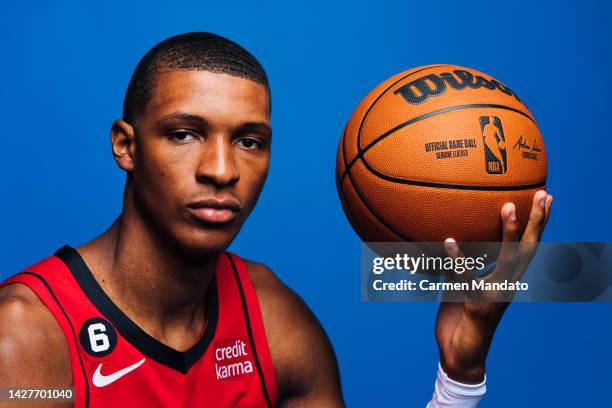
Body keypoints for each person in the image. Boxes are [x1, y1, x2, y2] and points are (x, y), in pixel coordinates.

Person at [0, 32, 553, 407]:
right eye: (185, 134)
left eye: (249, 141)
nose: (221, 170)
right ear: (126, 146)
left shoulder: (275, 323)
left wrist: (460, 371)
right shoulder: (25, 339)